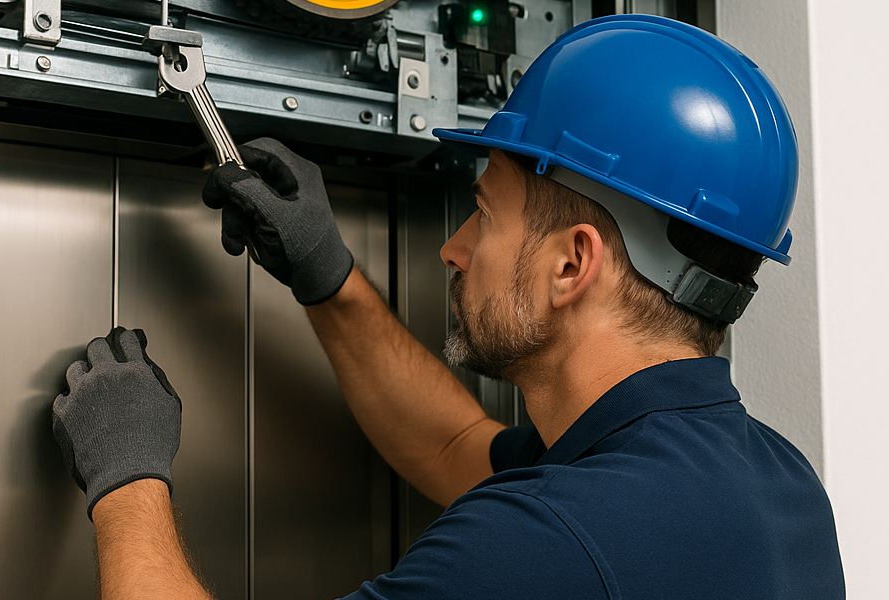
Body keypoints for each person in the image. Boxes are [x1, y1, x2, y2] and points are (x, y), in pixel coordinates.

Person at [52, 15, 845, 600]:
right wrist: (328, 276)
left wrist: (128, 476)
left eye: (485, 213)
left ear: (573, 263)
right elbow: (454, 446)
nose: (453, 246)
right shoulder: (777, 482)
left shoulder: (546, 544)